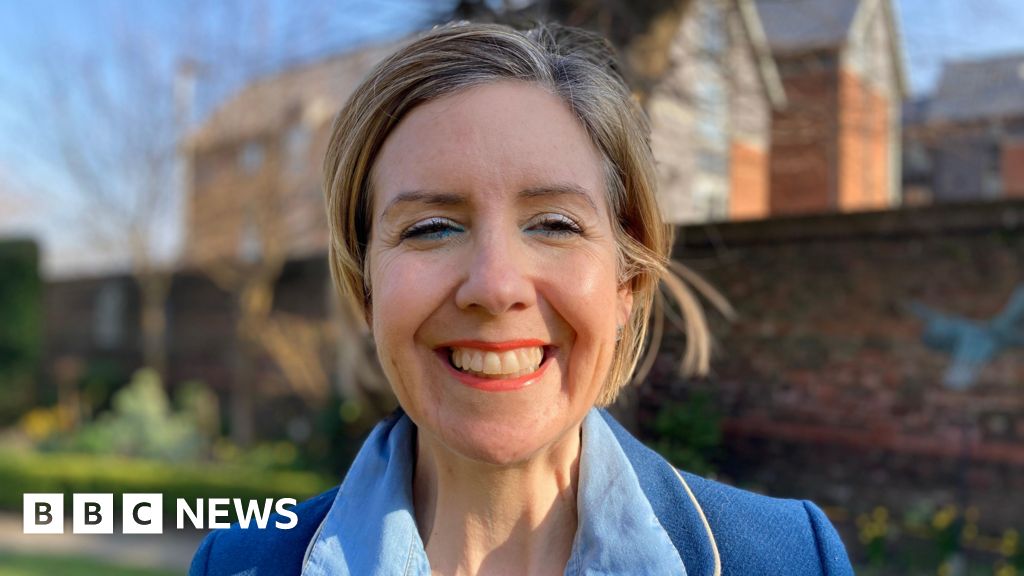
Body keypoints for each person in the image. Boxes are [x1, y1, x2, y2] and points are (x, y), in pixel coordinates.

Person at [189, 21, 854, 576]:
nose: (496, 285)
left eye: (555, 224)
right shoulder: (239, 562)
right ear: (365, 287)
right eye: (430, 228)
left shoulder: (789, 557)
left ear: (626, 279)